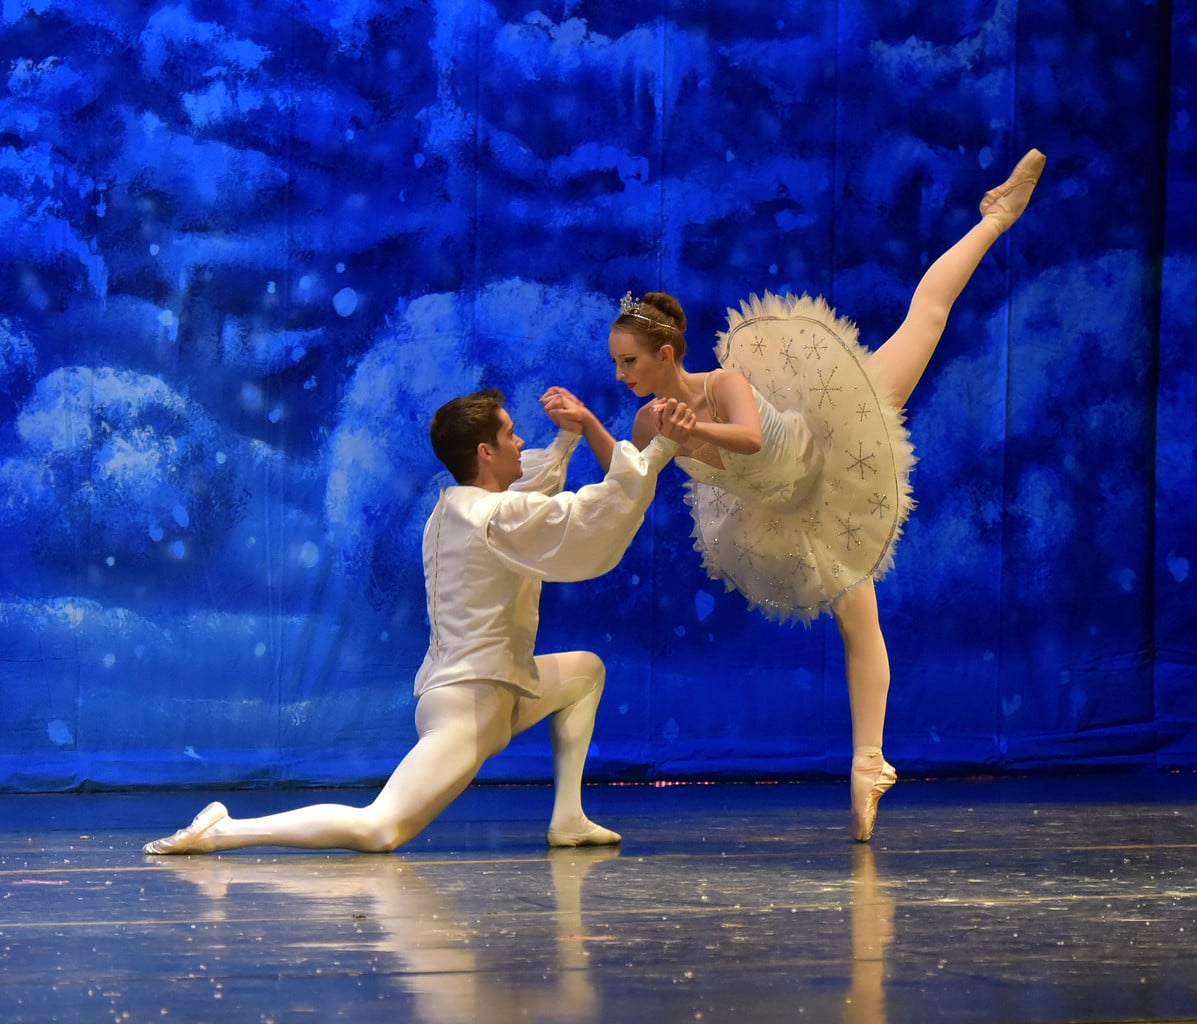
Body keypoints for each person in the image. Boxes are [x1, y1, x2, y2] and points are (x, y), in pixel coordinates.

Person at [552, 148, 1047, 842]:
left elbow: (750, 438)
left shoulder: (720, 384)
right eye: (615, 363)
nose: (622, 372)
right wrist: (590, 425)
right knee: (857, 625)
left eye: (630, 361)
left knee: (925, 319)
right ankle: (868, 763)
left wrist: (701, 427)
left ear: (666, 355)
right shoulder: (647, 419)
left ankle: (997, 217)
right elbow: (626, 474)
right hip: (793, 510)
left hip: (832, 443)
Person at [143, 386, 696, 855]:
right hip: (473, 703)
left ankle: (568, 817)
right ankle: (225, 831)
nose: (521, 443)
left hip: (489, 690)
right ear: (485, 451)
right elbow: (585, 515)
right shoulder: (494, 516)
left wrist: (568, 438)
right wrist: (659, 448)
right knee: (381, 827)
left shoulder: (453, 507)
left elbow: (527, 495)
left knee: (584, 672)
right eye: (510, 436)